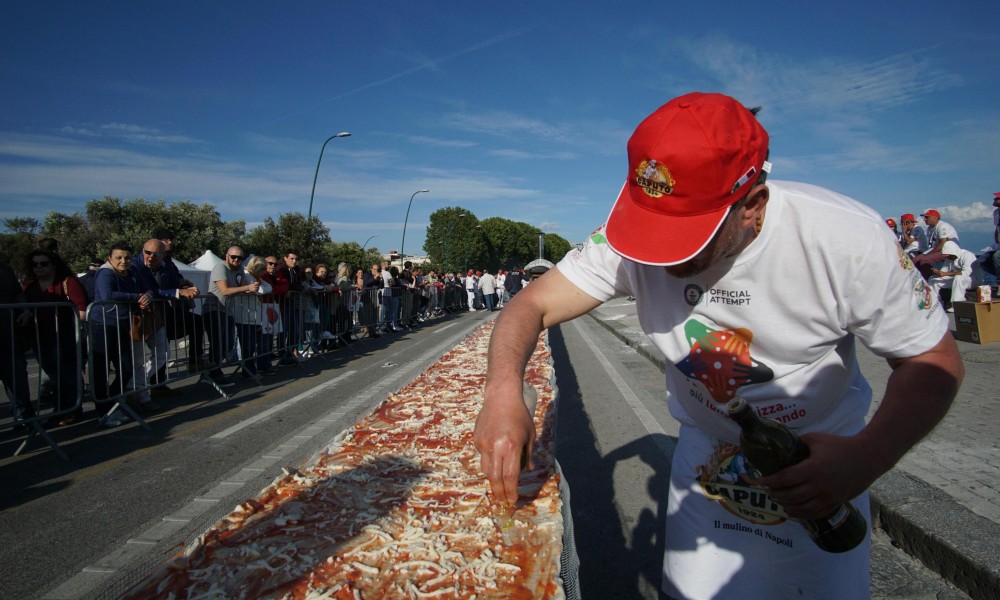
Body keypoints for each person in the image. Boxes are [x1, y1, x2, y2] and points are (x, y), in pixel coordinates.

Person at [473, 92, 964, 599]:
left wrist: (866, 457)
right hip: (706, 456)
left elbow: (932, 360)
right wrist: (503, 389)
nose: (658, 259)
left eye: (686, 239)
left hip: (821, 461)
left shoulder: (847, 240)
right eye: (651, 229)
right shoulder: (628, 242)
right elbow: (532, 305)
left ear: (753, 206)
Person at [90, 241, 155, 426]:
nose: (123, 261)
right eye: (118, 257)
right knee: (101, 371)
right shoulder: (105, 273)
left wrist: (147, 296)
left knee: (127, 368)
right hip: (102, 326)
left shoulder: (133, 272)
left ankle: (112, 402)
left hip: (123, 325)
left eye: (127, 257)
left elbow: (148, 287)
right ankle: (103, 411)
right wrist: (136, 297)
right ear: (110, 258)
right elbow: (108, 295)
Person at [21, 249, 88, 425]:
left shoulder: (68, 282)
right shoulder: (29, 286)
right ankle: (61, 410)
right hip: (39, 338)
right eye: (35, 264)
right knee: (54, 376)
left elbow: (81, 309)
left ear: (53, 265)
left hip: (65, 337)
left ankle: (72, 409)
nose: (39, 267)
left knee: (67, 374)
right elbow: (23, 307)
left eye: (43, 263)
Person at [2, 260, 35, 428]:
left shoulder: (4, 268)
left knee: (17, 378)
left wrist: (25, 310)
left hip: (8, 335)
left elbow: (17, 292)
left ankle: (23, 416)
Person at [928, 241, 977, 311]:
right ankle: (935, 303)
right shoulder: (949, 258)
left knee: (958, 278)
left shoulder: (968, 255)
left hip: (972, 280)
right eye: (946, 256)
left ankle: (957, 304)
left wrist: (946, 274)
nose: (948, 257)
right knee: (933, 280)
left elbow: (966, 273)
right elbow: (944, 270)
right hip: (957, 280)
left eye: (949, 255)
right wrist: (938, 273)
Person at [911, 209, 960, 279]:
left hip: (948, 250)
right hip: (936, 249)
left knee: (924, 260)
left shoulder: (942, 226)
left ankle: (928, 279)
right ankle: (918, 279)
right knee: (915, 260)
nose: (925, 219)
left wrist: (930, 254)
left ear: (935, 218)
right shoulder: (930, 228)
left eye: (927, 217)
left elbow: (943, 244)